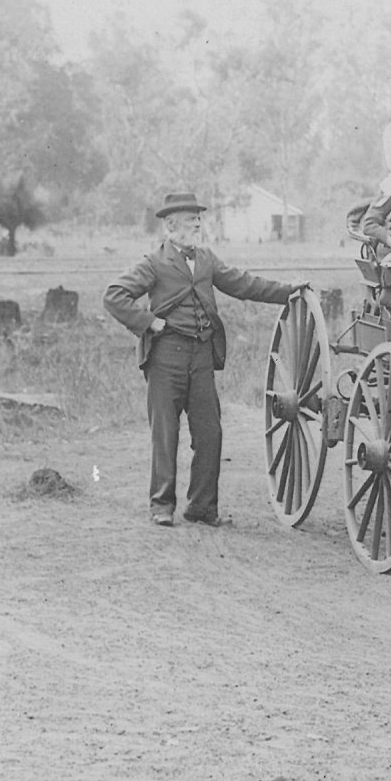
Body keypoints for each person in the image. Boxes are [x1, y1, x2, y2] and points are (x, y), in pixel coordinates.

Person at [103, 190, 306, 528]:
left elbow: (244, 284)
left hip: (201, 358)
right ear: (170, 224)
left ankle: (201, 507)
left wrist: (288, 291)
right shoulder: (154, 262)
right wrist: (149, 322)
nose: (197, 222)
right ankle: (161, 506)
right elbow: (114, 295)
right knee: (165, 435)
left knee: (210, 434)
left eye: (198, 217)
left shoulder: (208, 258)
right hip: (165, 357)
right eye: (190, 218)